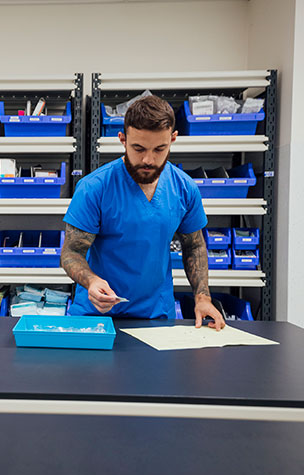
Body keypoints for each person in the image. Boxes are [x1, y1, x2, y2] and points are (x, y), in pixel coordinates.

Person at [60, 95, 225, 330]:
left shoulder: (184, 188)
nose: (148, 159)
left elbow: (195, 245)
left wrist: (202, 298)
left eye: (160, 149)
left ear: (173, 139)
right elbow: (71, 253)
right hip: (96, 317)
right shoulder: (95, 187)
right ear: (122, 140)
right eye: (138, 148)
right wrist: (92, 281)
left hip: (156, 317)